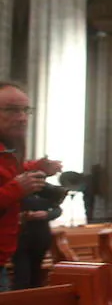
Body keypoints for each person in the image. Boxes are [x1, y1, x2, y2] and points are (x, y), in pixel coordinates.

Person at [0, 82, 63, 287]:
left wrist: (38, 166)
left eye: (25, 110)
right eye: (11, 110)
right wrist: (18, 189)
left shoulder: (8, 150)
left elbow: (8, 173)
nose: (22, 118)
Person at [12, 184, 66, 290]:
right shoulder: (17, 192)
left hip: (41, 237)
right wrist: (22, 216)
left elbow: (57, 209)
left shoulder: (45, 192)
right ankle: (19, 301)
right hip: (20, 237)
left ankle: (35, 300)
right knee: (22, 275)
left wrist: (46, 214)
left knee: (36, 273)